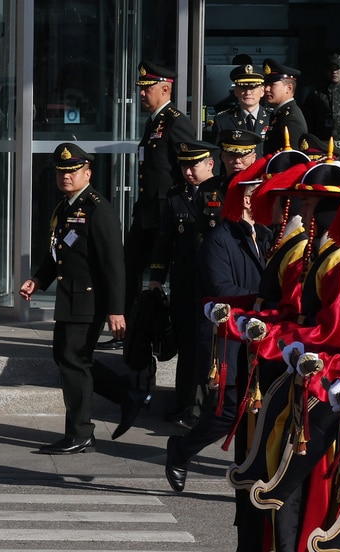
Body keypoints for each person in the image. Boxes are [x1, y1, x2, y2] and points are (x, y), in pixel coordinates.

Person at [20, 144, 143, 453]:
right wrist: (38, 279)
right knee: (70, 357)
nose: (66, 177)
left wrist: (117, 309)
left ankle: (80, 431)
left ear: (87, 172)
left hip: (89, 298)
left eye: (72, 171)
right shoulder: (66, 206)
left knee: (72, 359)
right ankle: (127, 394)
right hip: (70, 296)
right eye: (62, 172)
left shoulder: (97, 208)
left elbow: (114, 264)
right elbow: (58, 251)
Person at [167, 156, 272, 492]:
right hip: (228, 337)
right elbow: (222, 290)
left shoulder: (265, 234)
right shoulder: (219, 239)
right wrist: (264, 301)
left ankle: (251, 469)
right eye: (261, 194)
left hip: (260, 336)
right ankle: (181, 450)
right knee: (228, 412)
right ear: (245, 198)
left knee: (261, 409)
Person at [150, 140, 226, 430]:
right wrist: (157, 276)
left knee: (207, 344)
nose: (189, 172)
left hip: (211, 281)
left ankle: (202, 408)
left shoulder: (222, 191)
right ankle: (184, 402)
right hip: (184, 280)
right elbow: (165, 238)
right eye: (184, 165)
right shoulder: (175, 195)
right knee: (186, 342)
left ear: (210, 163)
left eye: (194, 165)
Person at [118, 60, 194, 350]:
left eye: (147, 89)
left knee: (163, 273)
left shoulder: (176, 122)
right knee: (130, 266)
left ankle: (165, 329)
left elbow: (188, 169)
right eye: (140, 89)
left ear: (165, 88)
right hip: (148, 211)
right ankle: (127, 329)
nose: (141, 94)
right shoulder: (154, 121)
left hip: (166, 214)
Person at [207, 62, 273, 155]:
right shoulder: (222, 121)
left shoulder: (272, 118)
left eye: (253, 88)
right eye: (243, 88)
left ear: (262, 91)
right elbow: (217, 156)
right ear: (235, 91)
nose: (248, 92)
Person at [261, 60, 308, 155]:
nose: (266, 89)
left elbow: (291, 159)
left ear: (289, 88)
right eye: (266, 84)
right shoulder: (280, 113)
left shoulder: (290, 118)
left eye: (272, 85)